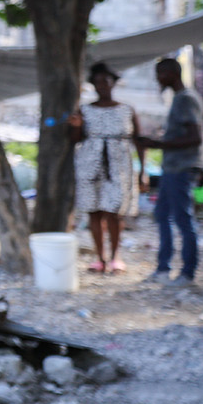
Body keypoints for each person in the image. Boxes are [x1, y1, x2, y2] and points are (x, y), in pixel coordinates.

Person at [135, 57, 203, 284]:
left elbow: (194, 138)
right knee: (162, 215)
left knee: (183, 219)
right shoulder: (179, 98)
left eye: (160, 74)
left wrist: (158, 144)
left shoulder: (186, 99)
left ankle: (187, 273)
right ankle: (163, 269)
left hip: (181, 168)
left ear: (172, 73)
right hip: (172, 167)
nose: (158, 79)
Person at [69, 61, 139, 273]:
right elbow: (75, 139)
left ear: (113, 83)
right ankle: (100, 257)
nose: (102, 85)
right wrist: (76, 126)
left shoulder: (127, 110)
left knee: (115, 211)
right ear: (93, 84)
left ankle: (116, 255)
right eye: (97, 82)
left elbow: (139, 141)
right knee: (95, 211)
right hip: (90, 165)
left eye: (105, 81)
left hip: (119, 166)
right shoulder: (85, 110)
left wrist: (143, 171)